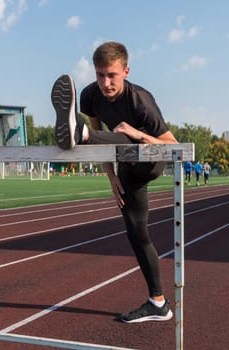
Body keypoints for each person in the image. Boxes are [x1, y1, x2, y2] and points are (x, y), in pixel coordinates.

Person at [51, 41, 178, 323]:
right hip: (124, 164)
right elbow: (100, 140)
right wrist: (110, 174)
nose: (106, 83)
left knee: (124, 136)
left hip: (150, 158)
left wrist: (140, 134)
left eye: (112, 75)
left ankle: (78, 131)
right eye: (100, 75)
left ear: (126, 71)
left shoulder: (140, 100)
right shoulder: (89, 96)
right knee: (136, 233)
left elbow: (173, 145)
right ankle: (158, 303)